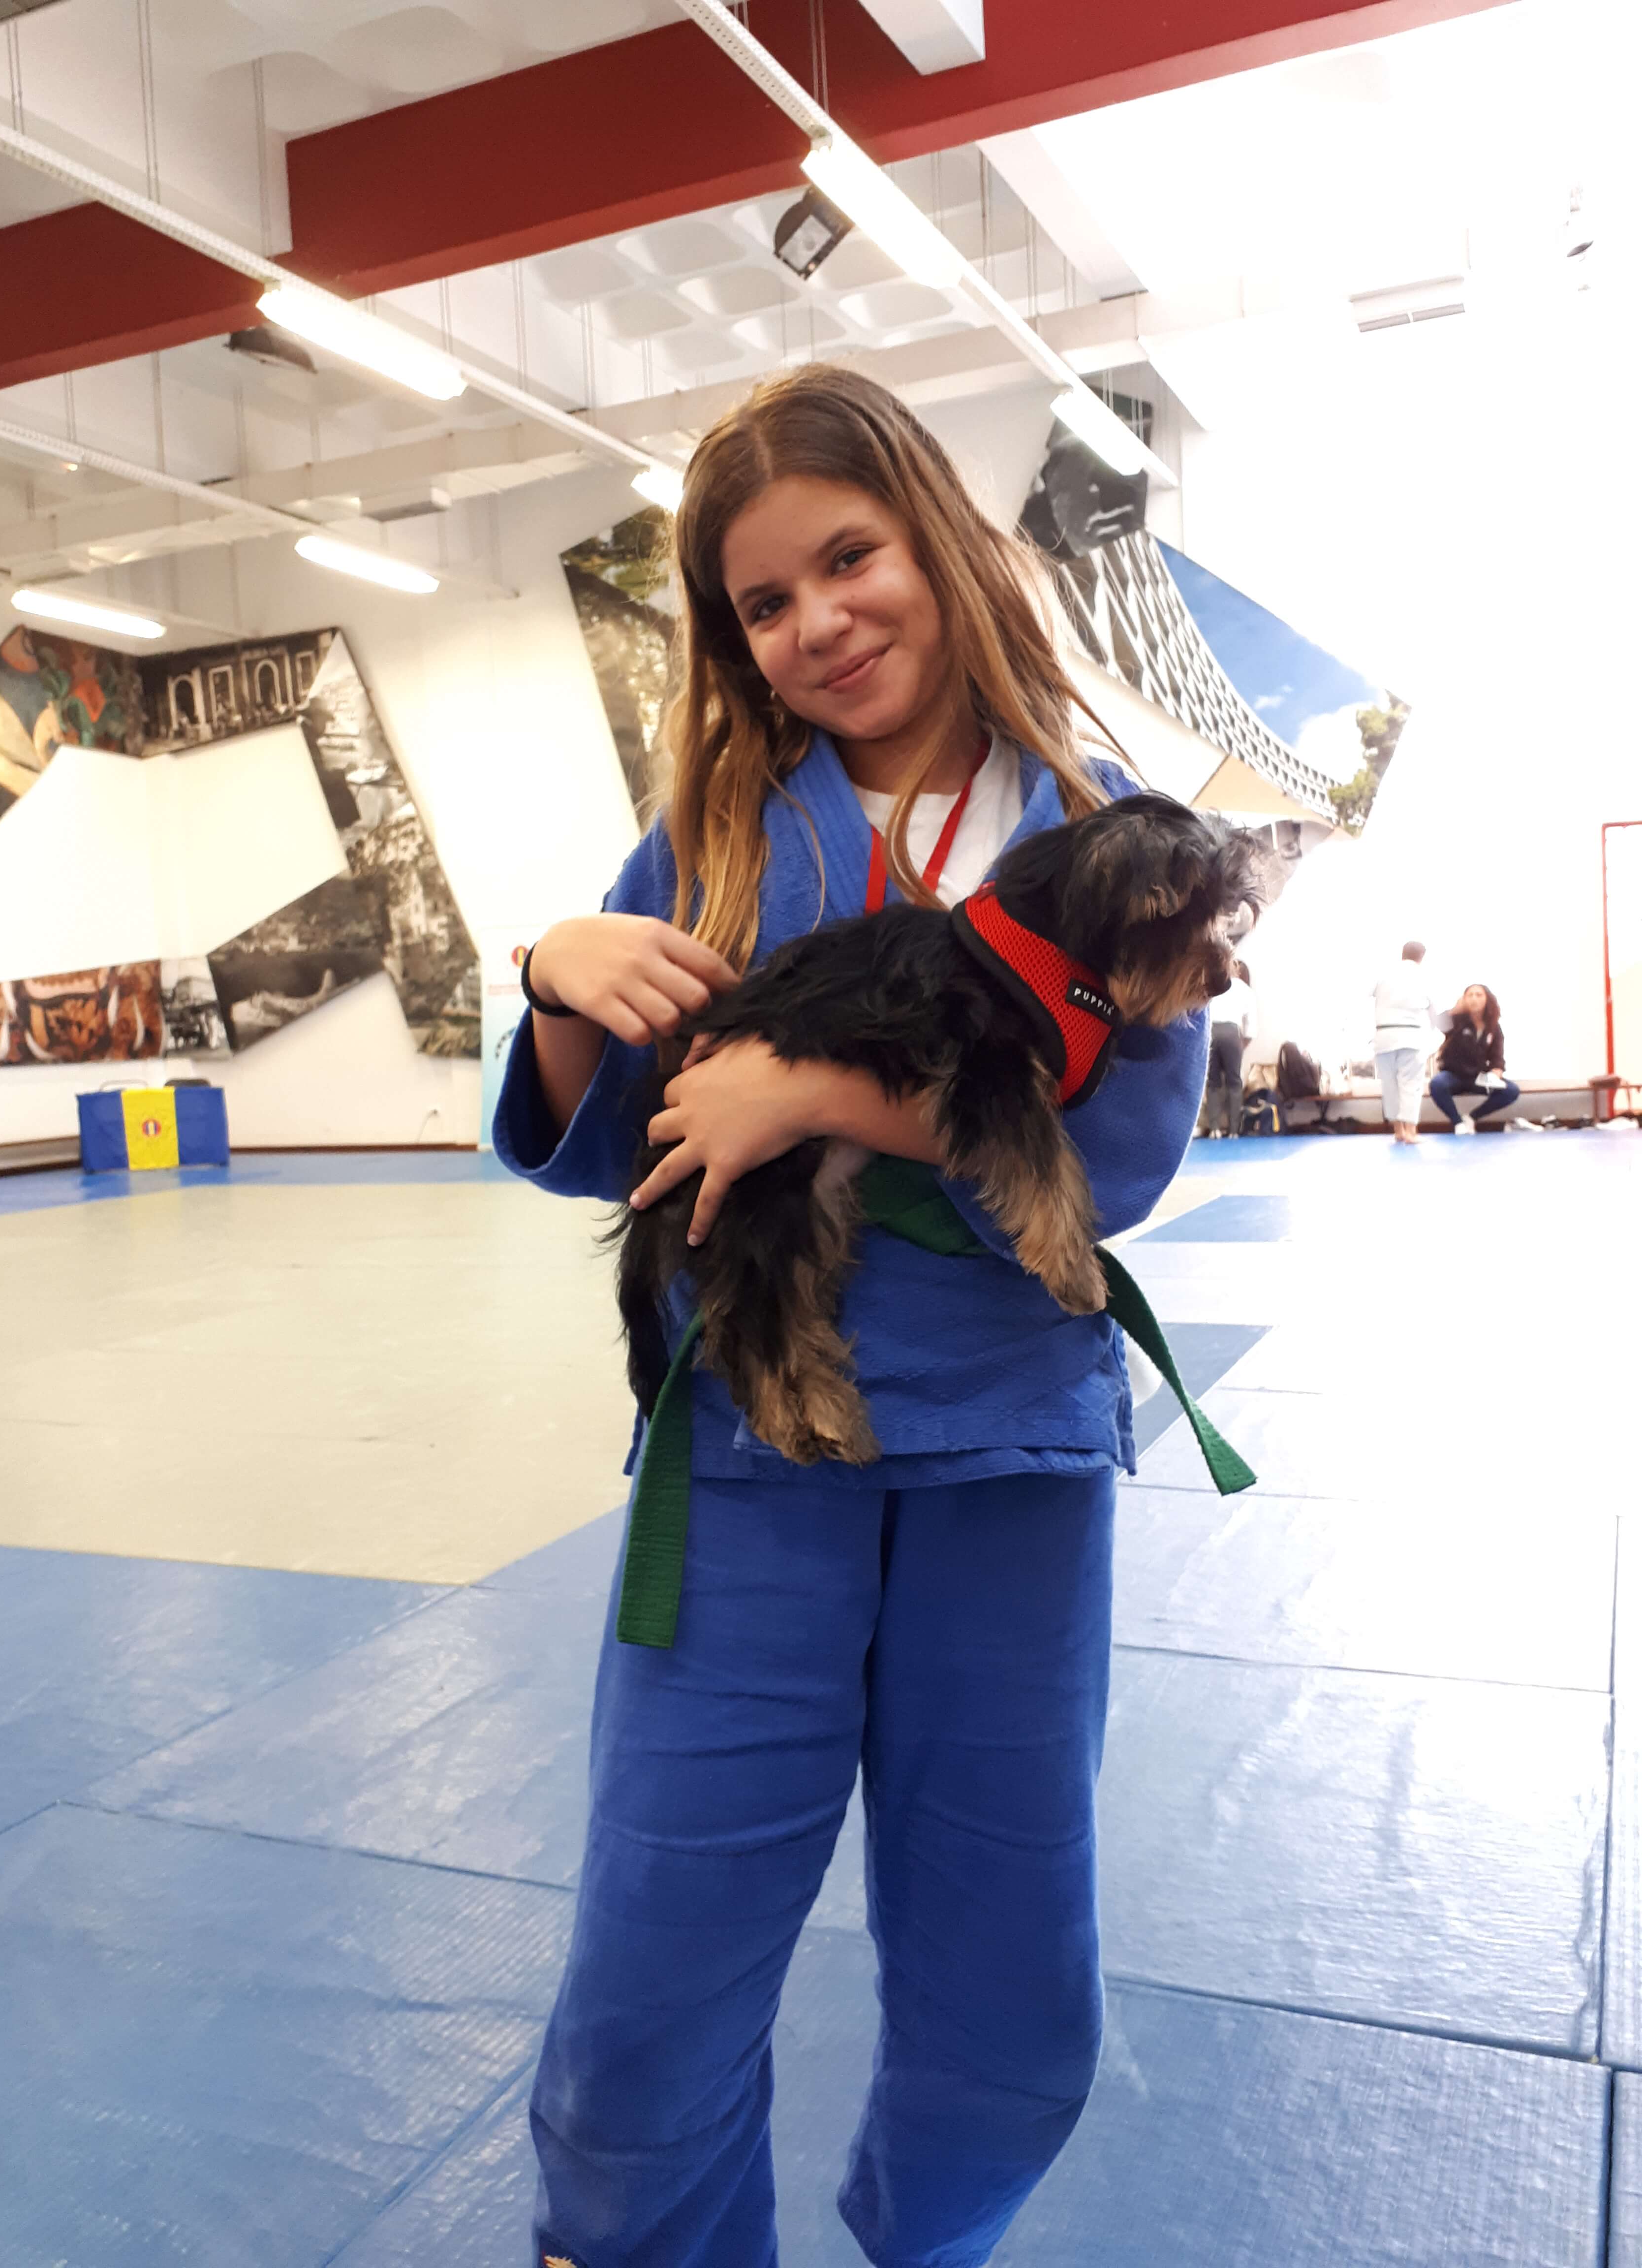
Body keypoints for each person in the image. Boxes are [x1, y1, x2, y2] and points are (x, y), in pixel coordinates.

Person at [496, 365, 1210, 2268]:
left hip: (1006, 1464)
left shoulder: (1101, 835)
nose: (816, 619)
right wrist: (555, 973)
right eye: (762, 600)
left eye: (847, 557)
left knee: (1010, 1989)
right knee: (649, 1971)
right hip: (750, 1458)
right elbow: (606, 1146)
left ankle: (931, 2236)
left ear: (936, 542)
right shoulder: (716, 840)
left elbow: (1120, 1156)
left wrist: (816, 1091)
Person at [1373, 938, 1439, 1144]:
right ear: (1422, 957)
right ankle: (1411, 1132)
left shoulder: (1384, 974)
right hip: (1411, 1036)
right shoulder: (1423, 976)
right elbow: (1433, 1010)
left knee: (1390, 1086)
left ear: (1403, 953)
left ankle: (1398, 1131)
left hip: (1383, 1035)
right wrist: (1436, 1032)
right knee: (1411, 1085)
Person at [1430, 982, 1519, 1134]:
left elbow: (1497, 1057)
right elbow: (1437, 1023)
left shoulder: (1494, 1027)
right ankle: (1458, 1123)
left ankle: (1471, 1118)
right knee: (1437, 1084)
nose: (1474, 999)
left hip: (1478, 1077)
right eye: (1470, 995)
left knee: (1511, 1090)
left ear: (1487, 999)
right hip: (1454, 1076)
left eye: (1479, 995)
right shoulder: (1457, 1020)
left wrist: (1496, 1072)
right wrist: (1455, 1010)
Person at [1201, 956, 1252, 1135]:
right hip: (1232, 1033)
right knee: (1234, 1083)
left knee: (1213, 1082)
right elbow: (1251, 1029)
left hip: (1211, 1032)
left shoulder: (1214, 984)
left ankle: (1214, 1129)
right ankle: (1234, 1131)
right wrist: (1240, 1048)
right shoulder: (1245, 989)